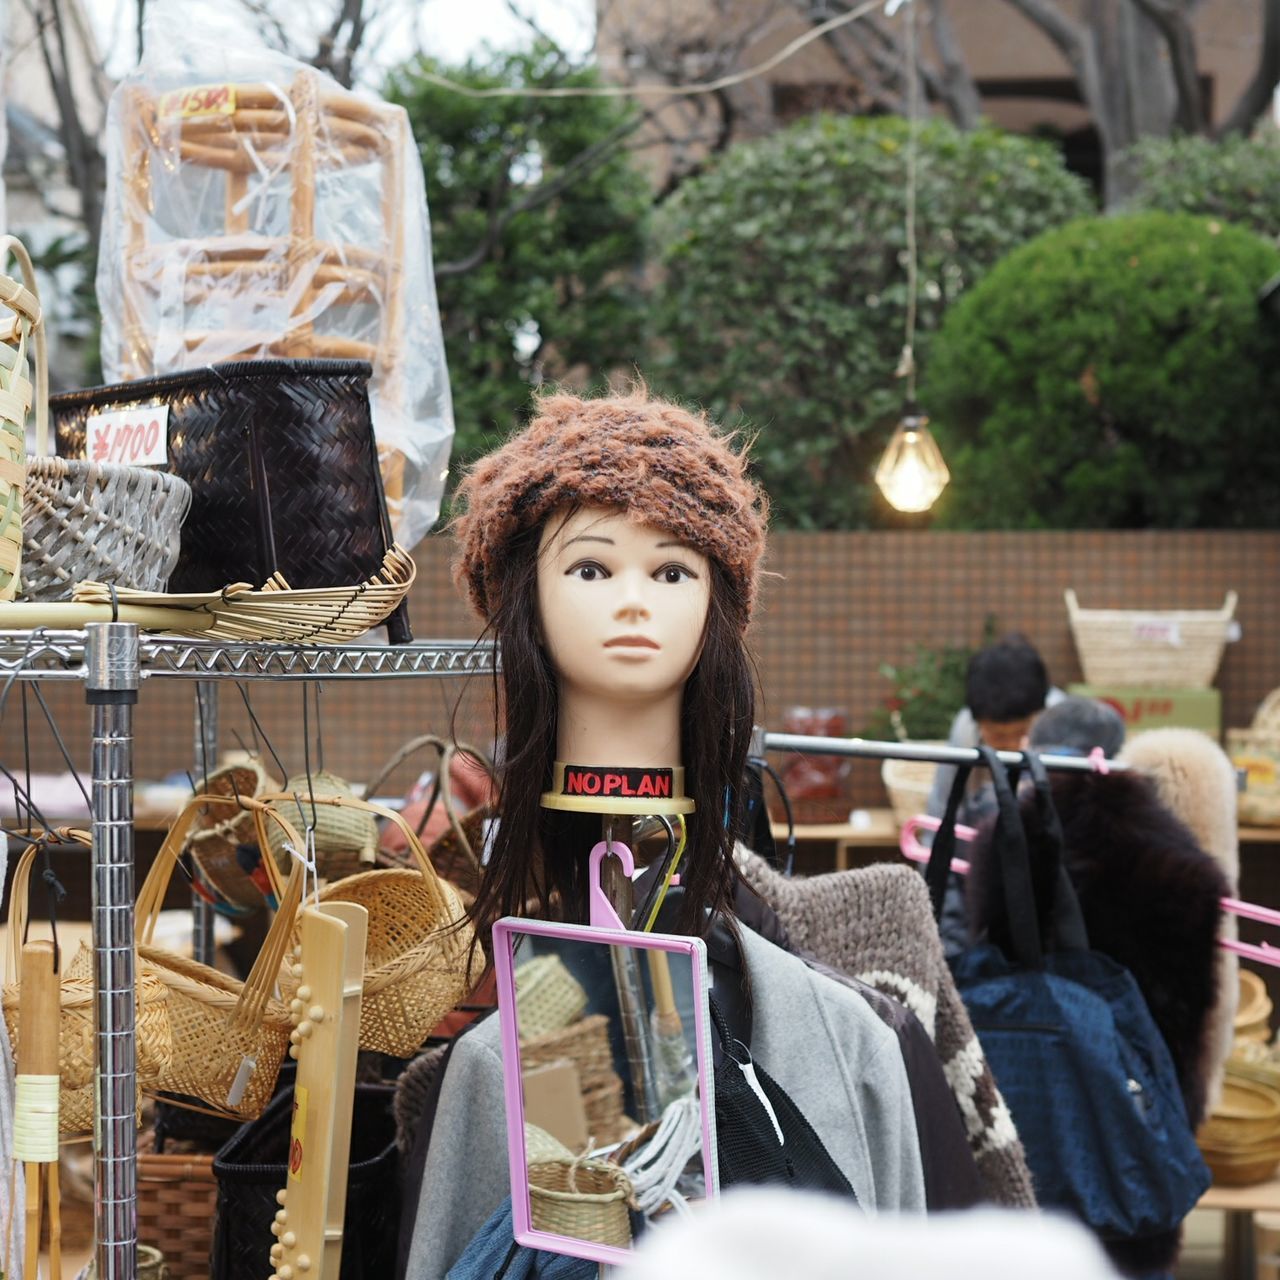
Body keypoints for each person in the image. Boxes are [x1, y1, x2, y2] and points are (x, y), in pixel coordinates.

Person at [924, 633, 1061, 954]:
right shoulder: (965, 732)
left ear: (1040, 716)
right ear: (978, 722)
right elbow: (940, 821)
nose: (1013, 745)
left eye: (1022, 733)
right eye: (999, 736)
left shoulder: (1060, 727)